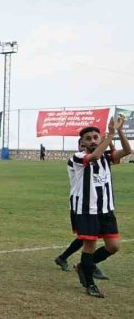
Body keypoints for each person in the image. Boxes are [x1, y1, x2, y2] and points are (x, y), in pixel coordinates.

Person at [69, 116, 129, 297]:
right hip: (87, 210)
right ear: (82, 143)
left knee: (113, 246)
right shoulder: (77, 158)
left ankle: (83, 267)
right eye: (88, 139)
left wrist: (118, 131)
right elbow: (93, 156)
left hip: (105, 209)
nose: (93, 141)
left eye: (96, 137)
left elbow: (127, 150)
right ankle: (90, 284)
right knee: (90, 246)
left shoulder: (106, 158)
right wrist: (109, 134)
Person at [54, 138, 108, 280]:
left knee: (88, 236)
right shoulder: (77, 159)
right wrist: (108, 138)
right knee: (87, 237)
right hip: (79, 204)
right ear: (80, 145)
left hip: (92, 205)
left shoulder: (92, 160)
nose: (87, 144)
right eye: (83, 143)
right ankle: (88, 265)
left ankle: (68, 259)